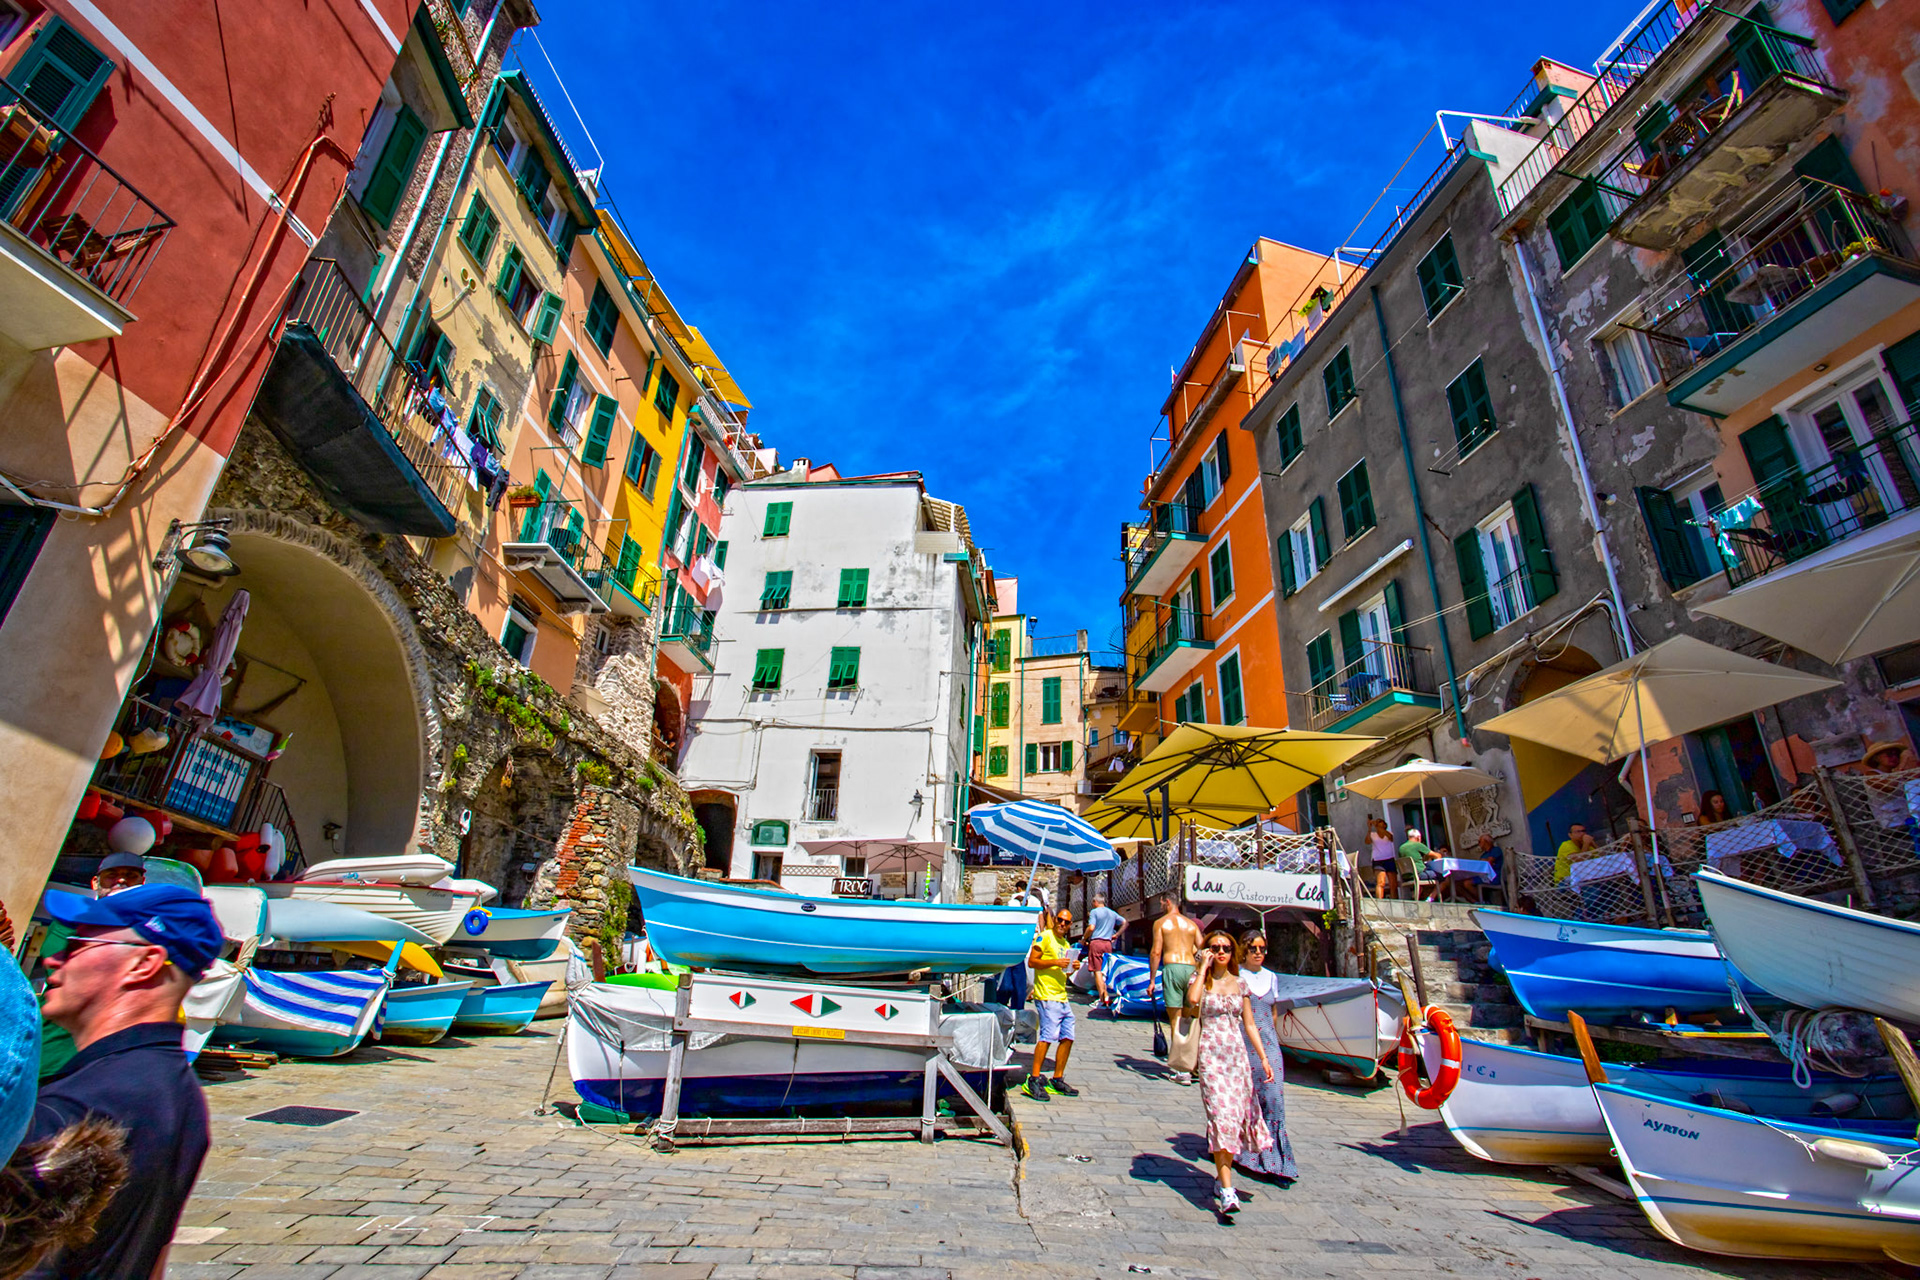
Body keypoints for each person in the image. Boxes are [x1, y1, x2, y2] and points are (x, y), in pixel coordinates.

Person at [27, 883, 223, 1279]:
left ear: (143, 963)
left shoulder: (81, 1105)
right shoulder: (178, 1089)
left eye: (76, 945)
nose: (52, 959)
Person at [1184, 930, 1274, 1216]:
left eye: (1225, 947)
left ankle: (1221, 1177)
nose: (1220, 951)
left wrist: (1263, 1057)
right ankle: (1226, 1190)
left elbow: (1249, 1024)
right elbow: (1192, 1002)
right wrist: (1202, 968)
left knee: (1233, 1121)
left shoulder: (1241, 983)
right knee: (1220, 1118)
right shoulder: (1202, 980)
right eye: (1215, 947)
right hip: (1211, 1057)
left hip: (1236, 1059)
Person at [38, 852, 148, 1082]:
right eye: (112, 875)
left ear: (142, 883)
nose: (121, 880)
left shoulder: (150, 928)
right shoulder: (71, 917)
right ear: (95, 882)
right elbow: (64, 971)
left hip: (115, 1058)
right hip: (59, 1053)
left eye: (130, 876)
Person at [1233, 932, 1297, 1185]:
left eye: (1262, 948)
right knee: (1246, 1099)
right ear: (1244, 951)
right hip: (1242, 1043)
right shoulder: (1236, 976)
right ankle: (1243, 1154)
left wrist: (1271, 1041)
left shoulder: (1272, 977)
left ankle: (1275, 1162)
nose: (1258, 953)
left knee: (1274, 1100)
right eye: (1253, 948)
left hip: (1269, 1045)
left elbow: (1272, 1012)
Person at [1024, 910, 1080, 1100]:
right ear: (1055, 920)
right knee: (1047, 1037)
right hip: (1046, 996)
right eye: (1060, 920)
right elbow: (1032, 962)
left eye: (1066, 922)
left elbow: (1065, 972)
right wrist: (1055, 961)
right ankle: (1034, 1078)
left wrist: (1072, 968)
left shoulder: (1065, 944)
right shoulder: (1045, 937)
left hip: (1061, 996)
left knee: (1068, 1037)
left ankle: (1057, 1077)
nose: (1062, 924)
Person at [1148, 893, 1202, 1084]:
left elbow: (1156, 952)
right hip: (1191, 969)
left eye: (1162, 902)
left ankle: (1182, 1070)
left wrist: (1152, 979)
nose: (1161, 905)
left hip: (1172, 967)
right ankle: (1194, 1065)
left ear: (1168, 902)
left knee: (1176, 1020)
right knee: (1191, 1019)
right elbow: (1202, 949)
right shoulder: (1191, 924)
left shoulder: (1161, 923)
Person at [1085, 894, 1125, 1010]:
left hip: (1096, 942)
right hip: (1108, 943)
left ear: (1095, 902)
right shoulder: (1112, 913)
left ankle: (1103, 998)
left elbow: (1091, 927)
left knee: (1097, 970)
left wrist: (1084, 937)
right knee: (1105, 970)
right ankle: (1106, 995)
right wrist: (1117, 934)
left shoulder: (1094, 912)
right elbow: (1124, 922)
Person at [1398, 827, 1433, 900]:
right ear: (1418, 837)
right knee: (1443, 876)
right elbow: (1437, 855)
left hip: (1406, 876)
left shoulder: (1401, 848)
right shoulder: (1418, 845)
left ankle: (1417, 896)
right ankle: (1431, 898)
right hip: (1419, 874)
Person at [1366, 818, 1398, 898]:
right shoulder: (1373, 834)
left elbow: (1390, 837)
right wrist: (1369, 828)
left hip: (1389, 859)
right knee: (1381, 882)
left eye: (1380, 821)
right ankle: (1380, 902)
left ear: (1384, 825)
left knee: (1393, 884)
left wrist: (1377, 825)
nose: (1377, 823)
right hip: (1378, 860)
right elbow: (1367, 841)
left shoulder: (1389, 833)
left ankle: (1394, 902)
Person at [1474, 833, 1504, 905]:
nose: (1478, 844)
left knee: (1467, 883)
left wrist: (1485, 861)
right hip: (1483, 876)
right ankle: (1474, 901)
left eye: (1480, 841)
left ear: (1486, 842)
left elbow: (1488, 863)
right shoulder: (1484, 854)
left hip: (1493, 877)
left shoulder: (1496, 850)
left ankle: (1483, 901)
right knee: (1460, 883)